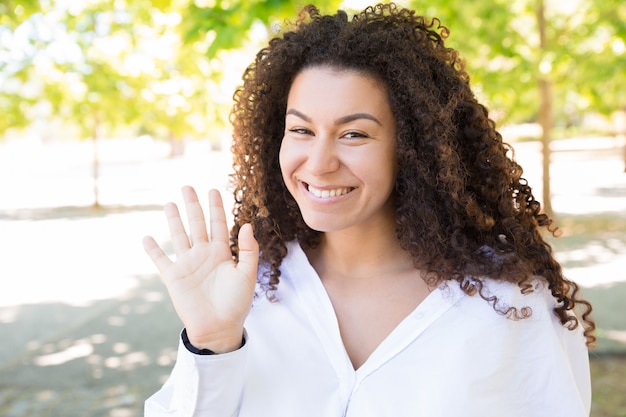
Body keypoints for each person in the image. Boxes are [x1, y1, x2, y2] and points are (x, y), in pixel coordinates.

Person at [142, 3, 596, 416]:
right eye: (301, 130)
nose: (318, 164)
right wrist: (212, 347)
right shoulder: (249, 293)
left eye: (354, 134)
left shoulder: (512, 304)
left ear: (413, 148)